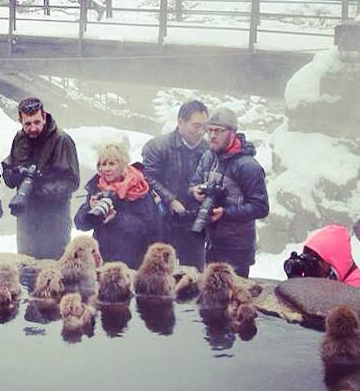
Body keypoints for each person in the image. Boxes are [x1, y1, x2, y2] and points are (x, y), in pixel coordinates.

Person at [190, 107, 269, 278]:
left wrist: (225, 213)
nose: (212, 136)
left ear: (232, 133)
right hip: (211, 241)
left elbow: (261, 207)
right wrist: (195, 191)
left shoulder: (247, 166)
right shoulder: (208, 157)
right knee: (212, 294)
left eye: (218, 131)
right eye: (209, 130)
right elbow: (194, 183)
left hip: (237, 247)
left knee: (234, 299)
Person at [2, 97, 80, 260]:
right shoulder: (19, 138)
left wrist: (41, 188)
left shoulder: (61, 140)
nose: (33, 128)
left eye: (37, 122)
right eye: (27, 124)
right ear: (20, 120)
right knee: (26, 267)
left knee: (53, 273)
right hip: (26, 218)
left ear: (44, 117)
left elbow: (72, 181)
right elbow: (9, 173)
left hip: (54, 221)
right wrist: (15, 174)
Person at [142, 100, 209, 270]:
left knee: (194, 276)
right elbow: (148, 178)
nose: (201, 132)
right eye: (196, 126)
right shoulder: (157, 146)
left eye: (204, 127)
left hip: (194, 221)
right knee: (160, 273)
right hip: (163, 221)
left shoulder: (209, 150)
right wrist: (170, 199)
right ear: (180, 122)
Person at [74, 143, 160, 269]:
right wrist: (89, 207)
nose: (107, 169)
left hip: (132, 261)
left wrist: (116, 218)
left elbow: (147, 229)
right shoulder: (97, 187)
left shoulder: (139, 190)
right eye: (103, 164)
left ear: (123, 165)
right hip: (102, 258)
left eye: (112, 164)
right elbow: (80, 224)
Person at [285, 224, 360, 287]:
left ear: (336, 265)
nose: (312, 268)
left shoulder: (354, 290)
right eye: (307, 253)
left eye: (316, 258)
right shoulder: (335, 284)